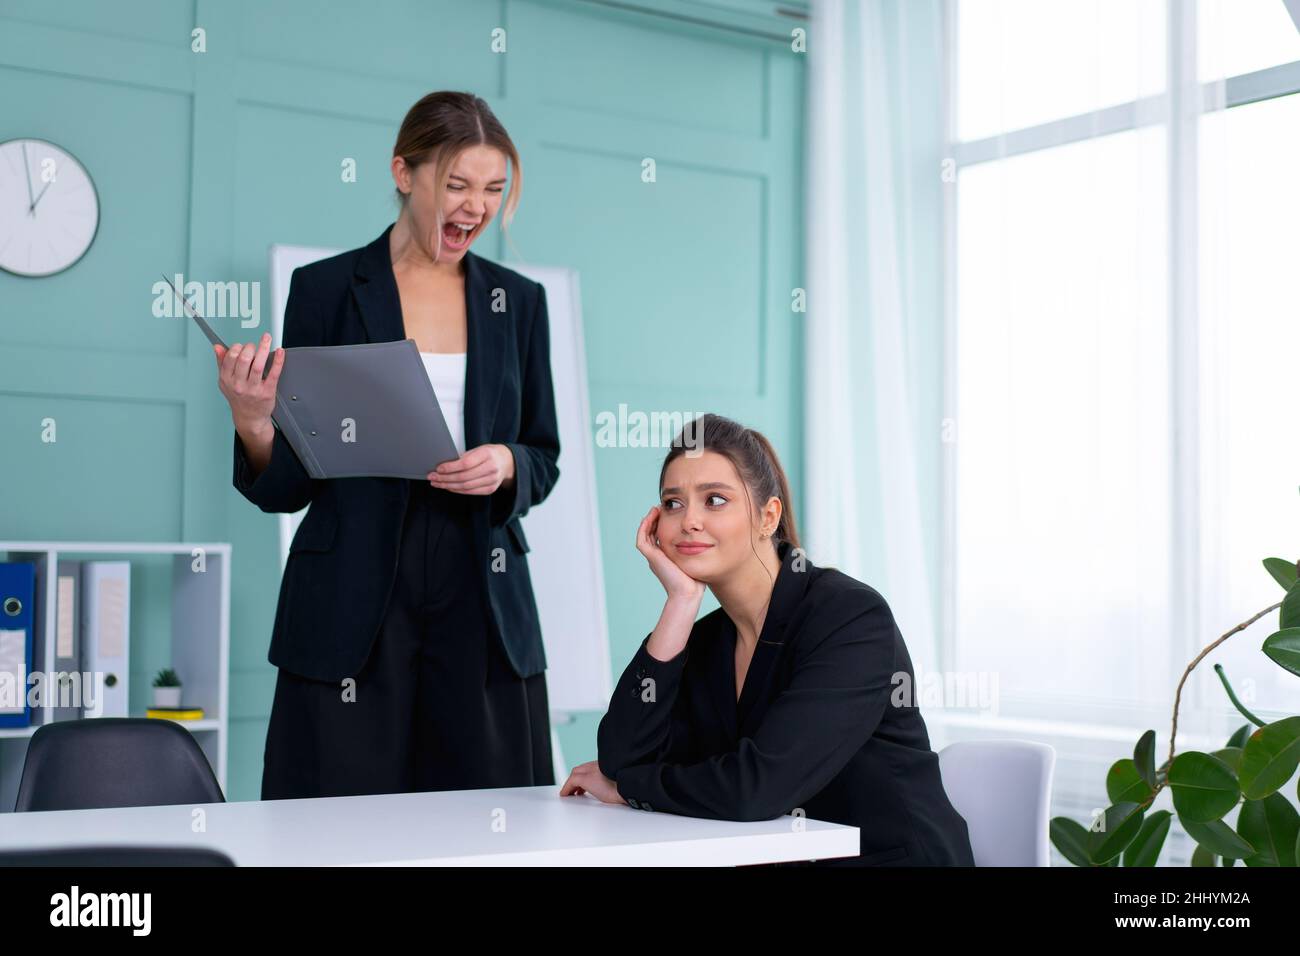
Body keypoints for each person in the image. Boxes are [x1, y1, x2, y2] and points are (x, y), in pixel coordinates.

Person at [217, 91, 559, 799]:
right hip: (352, 586)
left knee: (486, 818)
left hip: (480, 584)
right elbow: (290, 482)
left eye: (493, 189)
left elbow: (543, 454)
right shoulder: (327, 290)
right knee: (335, 813)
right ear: (404, 173)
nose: (476, 207)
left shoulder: (518, 301)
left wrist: (505, 464)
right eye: (457, 184)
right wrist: (254, 420)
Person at [560, 414, 975, 866]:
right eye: (673, 504)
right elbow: (620, 759)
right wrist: (679, 603)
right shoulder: (705, 639)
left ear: (767, 516)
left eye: (714, 500)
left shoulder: (851, 619)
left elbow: (755, 789)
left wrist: (631, 791)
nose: (689, 521)